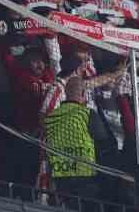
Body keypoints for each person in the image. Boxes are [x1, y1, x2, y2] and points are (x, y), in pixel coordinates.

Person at [45, 73, 111, 203]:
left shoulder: (51, 117)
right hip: (85, 178)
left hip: (60, 177)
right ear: (83, 93)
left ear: (65, 93)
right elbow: (104, 141)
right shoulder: (87, 114)